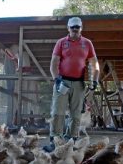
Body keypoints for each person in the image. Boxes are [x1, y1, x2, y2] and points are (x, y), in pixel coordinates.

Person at [43, 17, 100, 152]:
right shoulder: (61, 43)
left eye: (77, 27)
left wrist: (95, 80)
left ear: (81, 28)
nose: (75, 29)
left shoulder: (87, 43)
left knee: (76, 114)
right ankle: (55, 141)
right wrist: (56, 79)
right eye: (72, 27)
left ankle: (71, 140)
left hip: (79, 83)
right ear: (68, 28)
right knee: (58, 112)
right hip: (62, 81)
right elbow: (54, 63)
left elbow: (94, 63)